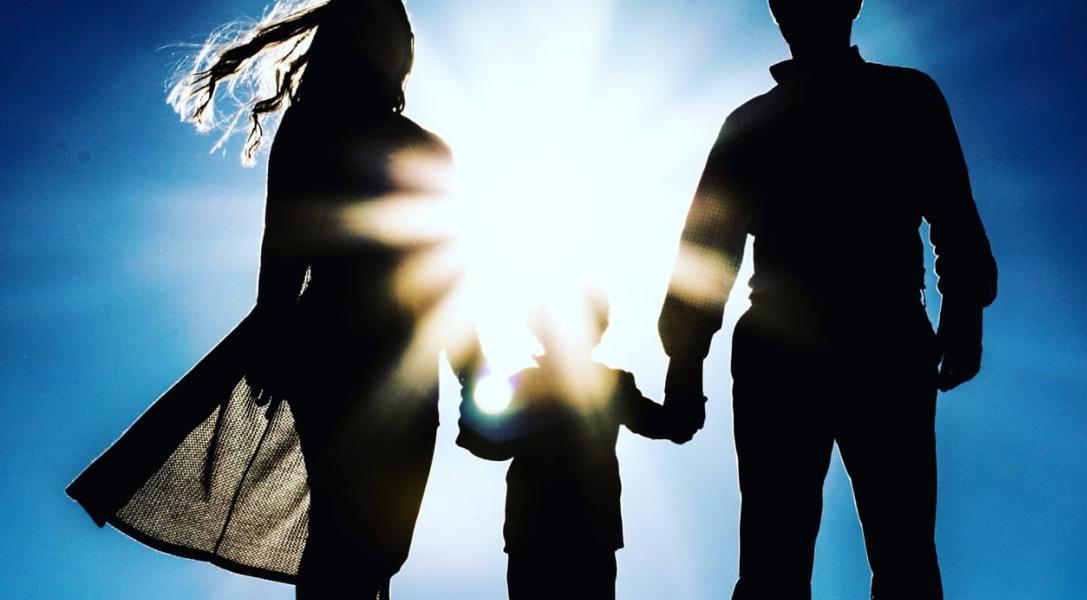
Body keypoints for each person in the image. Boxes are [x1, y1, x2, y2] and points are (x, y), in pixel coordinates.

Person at [66, 1, 482, 597]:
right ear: (348, 39)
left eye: (400, 32)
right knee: (346, 530)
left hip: (410, 371)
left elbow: (448, 274)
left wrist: (474, 376)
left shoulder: (428, 148)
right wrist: (273, 332)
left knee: (382, 549)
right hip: (333, 351)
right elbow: (284, 245)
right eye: (379, 28)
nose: (393, 43)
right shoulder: (314, 126)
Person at [657, 1, 998, 598]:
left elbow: (951, 212)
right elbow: (708, 246)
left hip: (866, 337)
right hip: (836, 343)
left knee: (886, 552)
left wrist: (965, 308)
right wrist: (684, 361)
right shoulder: (772, 119)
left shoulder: (898, 99)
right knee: (787, 555)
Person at [458, 290, 688, 599]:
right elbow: (487, 441)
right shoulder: (535, 383)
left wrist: (472, 379)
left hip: (564, 539)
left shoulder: (607, 384)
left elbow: (674, 424)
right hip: (553, 540)